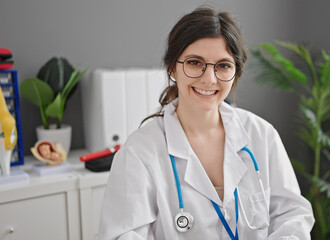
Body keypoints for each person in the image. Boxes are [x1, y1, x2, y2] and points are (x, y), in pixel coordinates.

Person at [98, 7, 314, 240]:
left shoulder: (262, 135)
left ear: (236, 72)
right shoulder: (140, 152)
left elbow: (293, 217)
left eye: (223, 66)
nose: (209, 79)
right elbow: (123, 235)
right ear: (172, 68)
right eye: (194, 62)